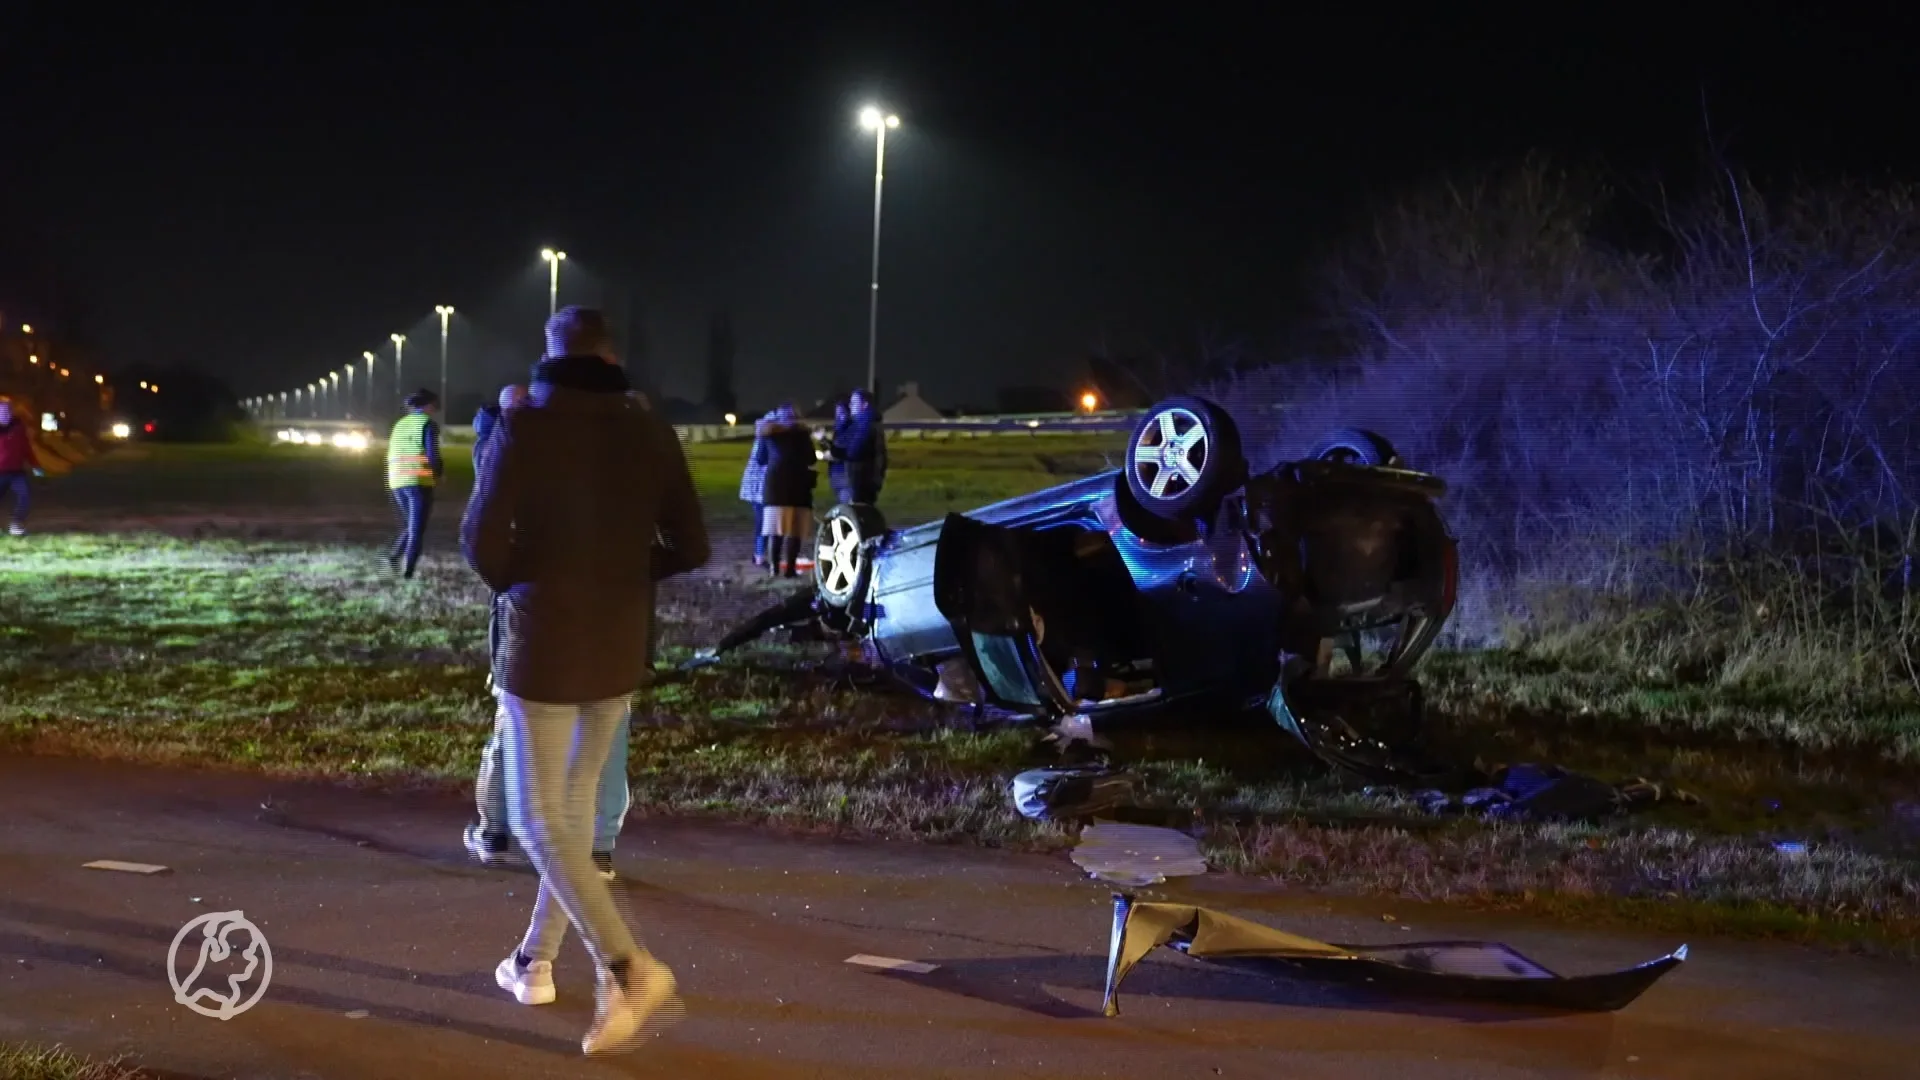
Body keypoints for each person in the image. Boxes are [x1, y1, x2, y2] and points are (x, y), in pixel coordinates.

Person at [462, 306, 708, 1055]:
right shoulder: (650, 431)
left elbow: (480, 539)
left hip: (544, 647)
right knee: (570, 822)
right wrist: (626, 578)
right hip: (616, 645)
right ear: (609, 357)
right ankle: (533, 961)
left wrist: (525, 585)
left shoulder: (526, 426)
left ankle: (628, 967)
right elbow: (691, 542)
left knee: (540, 821)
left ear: (551, 353)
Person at [465, 381, 632, 882]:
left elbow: (484, 542)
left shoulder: (509, 454)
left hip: (536, 611)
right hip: (597, 611)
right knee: (604, 726)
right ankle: (591, 847)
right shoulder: (597, 455)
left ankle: (502, 830)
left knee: (516, 723)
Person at [386, 390, 444, 578]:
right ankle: (408, 573)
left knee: (411, 526)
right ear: (426, 405)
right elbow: (432, 455)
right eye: (434, 405)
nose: (436, 409)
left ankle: (394, 557)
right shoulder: (427, 424)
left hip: (397, 480)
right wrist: (438, 474)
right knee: (417, 529)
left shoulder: (400, 424)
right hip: (418, 479)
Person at [755, 403, 817, 577]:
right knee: (792, 530)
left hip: (778, 486)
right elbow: (811, 459)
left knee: (778, 529)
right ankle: (788, 569)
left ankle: (776, 568)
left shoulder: (769, 434)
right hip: (797, 485)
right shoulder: (802, 435)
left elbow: (761, 459)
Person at [831, 388, 886, 505]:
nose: (851, 406)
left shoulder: (865, 424)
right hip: (864, 480)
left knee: (858, 514)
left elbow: (853, 452)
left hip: (861, 481)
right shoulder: (866, 422)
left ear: (864, 404)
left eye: (854, 402)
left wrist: (833, 451)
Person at [0, 398, 45, 537]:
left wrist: (36, 466)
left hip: (16, 472)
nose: (5, 415)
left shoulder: (18, 429)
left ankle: (16, 524)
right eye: (1, 413)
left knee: (24, 496)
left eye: (7, 412)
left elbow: (26, 449)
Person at [738, 408, 776, 566]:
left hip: (763, 487)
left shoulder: (764, 438)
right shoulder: (765, 440)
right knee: (764, 522)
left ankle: (762, 555)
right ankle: (761, 555)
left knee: (767, 521)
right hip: (760, 488)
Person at [826, 399, 851, 504]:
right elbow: (834, 449)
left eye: (842, 413)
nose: (839, 417)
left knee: (846, 504)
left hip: (844, 474)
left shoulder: (849, 430)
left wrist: (823, 440)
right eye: (837, 414)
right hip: (836, 473)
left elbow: (839, 452)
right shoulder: (838, 430)